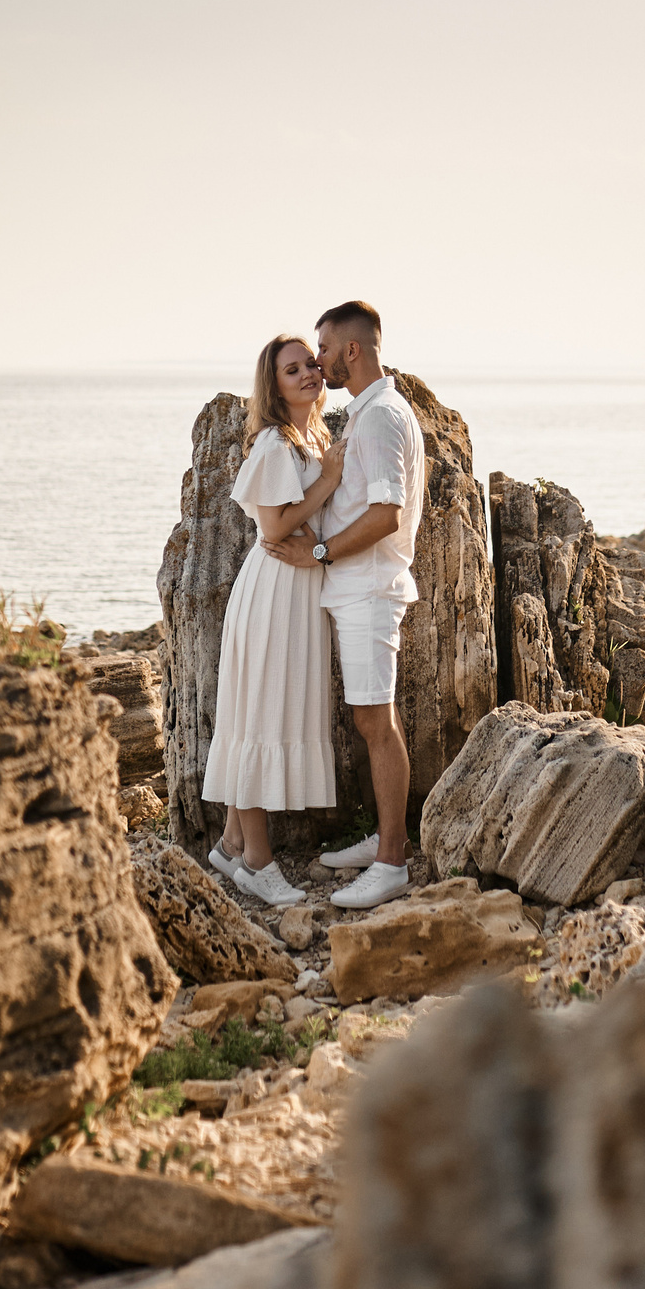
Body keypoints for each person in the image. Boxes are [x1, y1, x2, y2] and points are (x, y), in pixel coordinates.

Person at [262, 299, 425, 909]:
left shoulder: (381, 417)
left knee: (375, 726)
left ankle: (391, 864)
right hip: (358, 590)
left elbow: (385, 515)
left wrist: (321, 552)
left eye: (325, 349)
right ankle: (386, 838)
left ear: (351, 350)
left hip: (369, 589)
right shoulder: (369, 412)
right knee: (372, 719)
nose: (319, 360)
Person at [201, 332, 347, 907]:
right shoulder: (275, 444)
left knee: (260, 711)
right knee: (259, 716)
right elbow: (271, 528)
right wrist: (329, 484)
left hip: (299, 589)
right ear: (274, 384)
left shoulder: (314, 436)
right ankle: (258, 861)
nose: (309, 374)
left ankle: (234, 842)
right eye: (293, 370)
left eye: (311, 364)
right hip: (274, 590)